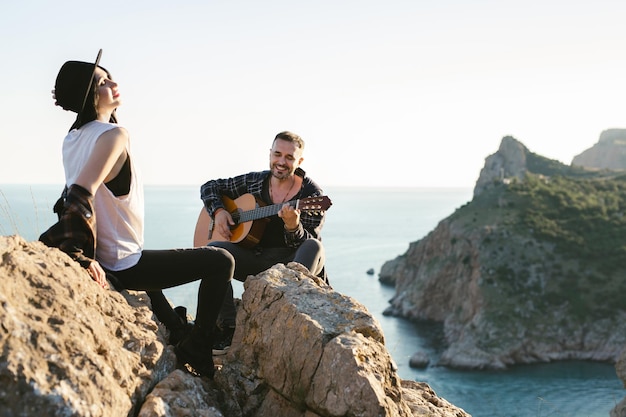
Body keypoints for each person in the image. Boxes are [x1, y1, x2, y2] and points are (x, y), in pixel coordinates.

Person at [39, 49, 234, 378]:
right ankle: (199, 347)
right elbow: (80, 194)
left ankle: (174, 326)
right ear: (89, 95)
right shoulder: (115, 135)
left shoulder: (71, 139)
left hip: (112, 252)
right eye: (103, 82)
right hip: (121, 263)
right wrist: (79, 256)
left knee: (147, 261)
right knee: (221, 262)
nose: (113, 83)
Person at [200, 131, 329, 354]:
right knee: (213, 252)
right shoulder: (255, 181)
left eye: (289, 157)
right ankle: (227, 329)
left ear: (299, 161)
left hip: (292, 265)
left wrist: (292, 226)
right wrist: (219, 211)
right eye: (277, 154)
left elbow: (308, 241)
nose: (281, 162)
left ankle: (287, 316)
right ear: (270, 154)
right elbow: (210, 187)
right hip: (257, 259)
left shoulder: (311, 195)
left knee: (314, 246)